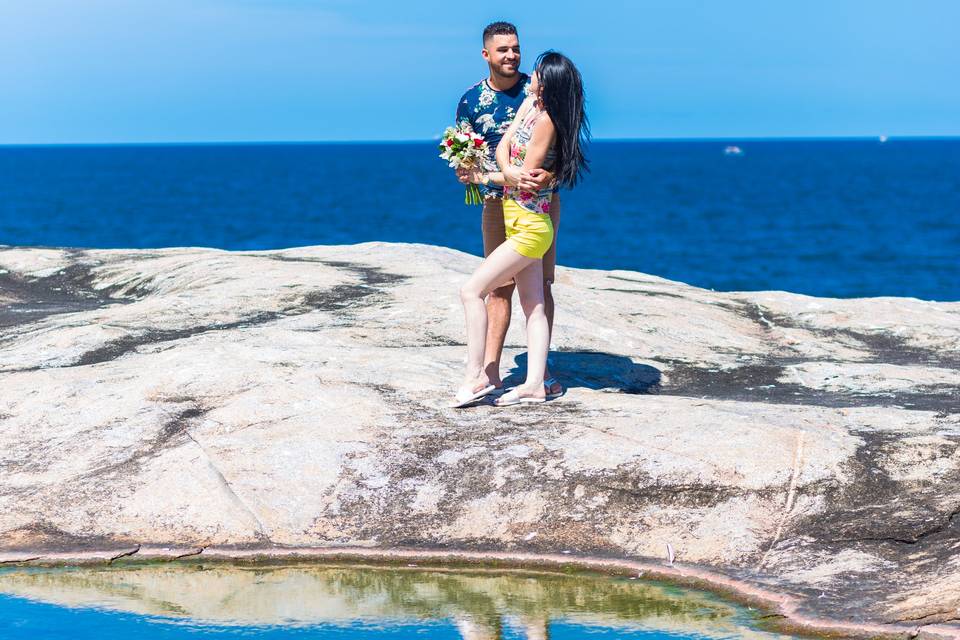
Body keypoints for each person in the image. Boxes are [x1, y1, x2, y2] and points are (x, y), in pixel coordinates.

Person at [452, 50, 589, 408]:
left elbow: (522, 180)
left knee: (471, 291)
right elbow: (505, 149)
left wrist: (483, 177)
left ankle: (475, 377)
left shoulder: (547, 122)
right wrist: (504, 171)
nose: (531, 76)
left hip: (529, 226)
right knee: (535, 305)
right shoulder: (531, 108)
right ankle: (534, 384)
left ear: (548, 84)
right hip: (519, 221)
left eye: (538, 74)